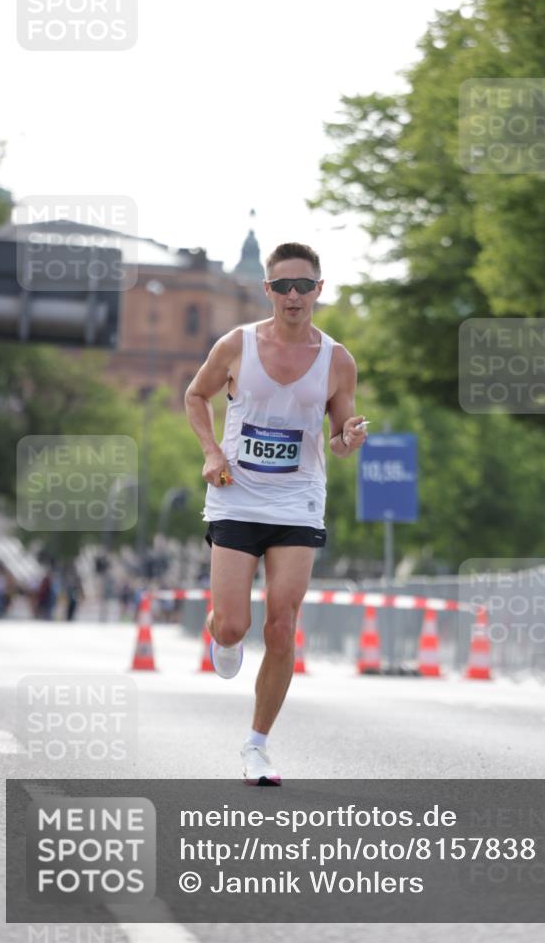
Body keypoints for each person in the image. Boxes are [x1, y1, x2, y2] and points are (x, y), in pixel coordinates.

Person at [185, 242, 367, 786]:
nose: (294, 295)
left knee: (283, 623)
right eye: (283, 286)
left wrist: (349, 439)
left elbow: (338, 438)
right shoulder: (236, 344)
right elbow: (196, 397)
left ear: (318, 290)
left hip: (297, 499)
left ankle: (257, 745)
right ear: (268, 291)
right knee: (235, 624)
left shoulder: (338, 360)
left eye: (303, 285)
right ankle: (221, 629)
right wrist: (212, 451)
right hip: (236, 493)